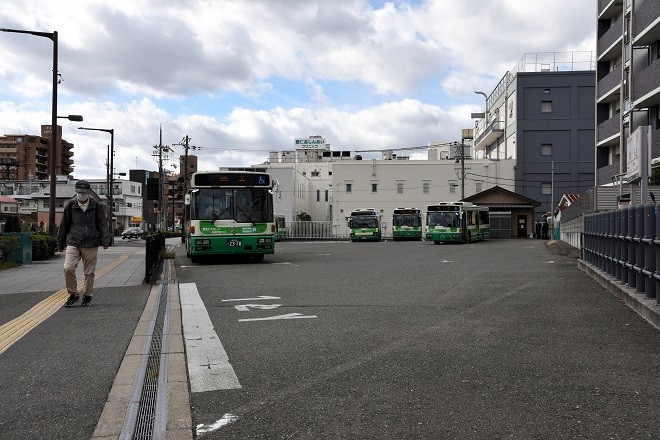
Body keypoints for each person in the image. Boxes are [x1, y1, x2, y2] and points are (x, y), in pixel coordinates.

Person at [56, 180, 110, 307]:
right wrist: (60, 242)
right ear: (76, 192)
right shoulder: (71, 205)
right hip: (73, 241)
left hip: (91, 242)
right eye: (79, 192)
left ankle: (87, 295)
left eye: (84, 192)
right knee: (68, 268)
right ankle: (73, 294)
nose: (81, 195)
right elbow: (64, 224)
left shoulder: (96, 206)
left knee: (89, 272)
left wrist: (105, 240)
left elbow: (102, 223)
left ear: (89, 193)